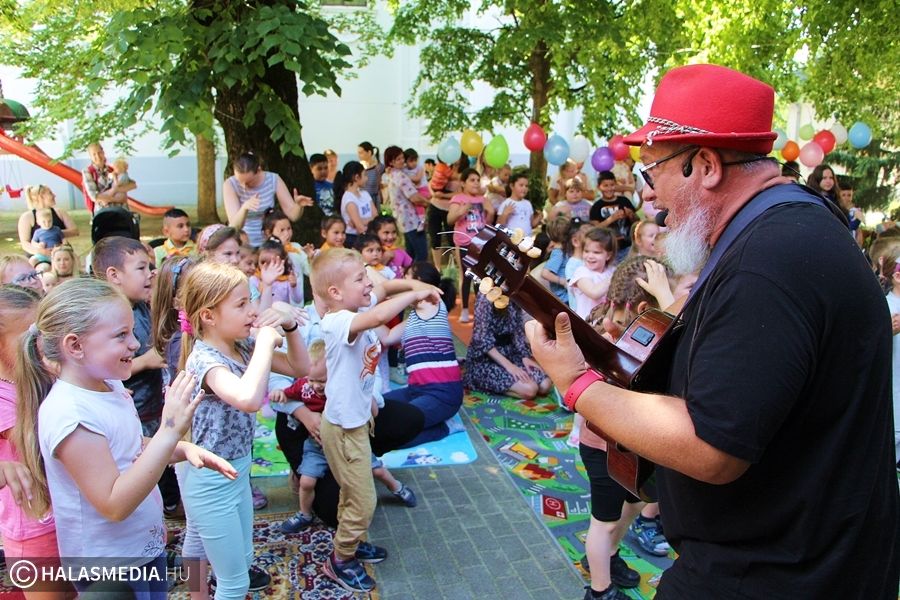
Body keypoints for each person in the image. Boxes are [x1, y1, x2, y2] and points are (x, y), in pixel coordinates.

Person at [526, 63, 900, 599]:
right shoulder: (791, 226)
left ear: (704, 165)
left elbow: (712, 446)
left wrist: (576, 382)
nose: (648, 197)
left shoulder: (768, 262)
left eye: (652, 172)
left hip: (777, 573)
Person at [14, 278, 236, 598]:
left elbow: (127, 448)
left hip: (140, 548)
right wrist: (170, 429)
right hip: (109, 567)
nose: (135, 344)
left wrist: (182, 447)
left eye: (132, 331)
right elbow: (114, 504)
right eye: (121, 335)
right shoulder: (71, 415)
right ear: (75, 346)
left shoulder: (108, 383)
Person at [311, 247, 439, 593]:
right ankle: (340, 560)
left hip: (355, 422)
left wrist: (416, 284)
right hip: (341, 429)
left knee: (352, 493)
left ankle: (348, 542)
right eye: (360, 279)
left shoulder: (357, 305)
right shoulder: (338, 321)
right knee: (364, 500)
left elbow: (382, 291)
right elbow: (378, 312)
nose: (369, 283)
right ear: (335, 293)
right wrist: (415, 294)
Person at [178, 262, 309, 599]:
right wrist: (265, 342)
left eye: (250, 300)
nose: (253, 311)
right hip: (210, 480)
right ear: (208, 316)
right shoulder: (205, 360)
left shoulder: (240, 347)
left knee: (205, 542)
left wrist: (291, 326)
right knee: (234, 582)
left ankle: (197, 595)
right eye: (241, 305)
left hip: (235, 470)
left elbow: (301, 368)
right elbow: (248, 399)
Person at [276, 339, 416, 535]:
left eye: (322, 381)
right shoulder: (305, 387)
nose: (316, 386)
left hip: (348, 443)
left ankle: (397, 488)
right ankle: (304, 513)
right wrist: (279, 395)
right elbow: (286, 393)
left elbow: (372, 408)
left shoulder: (346, 388)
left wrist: (366, 399)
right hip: (317, 447)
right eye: (311, 379)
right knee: (307, 482)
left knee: (377, 471)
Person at [92, 237, 183, 518]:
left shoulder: (142, 306)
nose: (151, 274)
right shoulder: (102, 317)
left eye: (151, 267)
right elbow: (100, 366)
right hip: (133, 411)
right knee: (136, 469)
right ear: (114, 275)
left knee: (159, 464)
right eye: (142, 268)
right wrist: (145, 361)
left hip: (152, 404)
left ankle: (164, 511)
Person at [0, 285, 69, 600]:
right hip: (34, 531)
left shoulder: (47, 376)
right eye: (30, 335)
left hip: (69, 517)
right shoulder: (5, 395)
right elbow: (43, 437)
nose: (42, 342)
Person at [380, 262, 463, 447]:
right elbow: (387, 337)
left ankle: (446, 428)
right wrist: (359, 312)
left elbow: (387, 289)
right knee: (374, 408)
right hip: (415, 391)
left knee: (393, 435)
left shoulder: (435, 304)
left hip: (442, 395)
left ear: (420, 283)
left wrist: (366, 271)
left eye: (407, 276)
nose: (402, 279)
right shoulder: (415, 317)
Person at [464, 291, 552, 400]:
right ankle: (479, 382)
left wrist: (525, 357)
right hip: (486, 359)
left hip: (511, 354)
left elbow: (517, 331)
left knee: (545, 385)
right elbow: (481, 340)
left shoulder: (513, 293)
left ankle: (513, 384)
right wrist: (510, 367)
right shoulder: (486, 295)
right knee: (530, 390)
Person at [222, 152, 313, 247]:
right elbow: (234, 227)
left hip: (269, 245)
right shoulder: (230, 184)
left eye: (248, 182)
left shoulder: (273, 179)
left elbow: (293, 216)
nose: (243, 187)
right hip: (244, 245)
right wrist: (244, 208)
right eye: (240, 181)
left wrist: (298, 206)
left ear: (259, 170)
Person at [448, 168, 495, 323]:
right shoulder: (458, 198)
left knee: (480, 276)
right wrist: (462, 210)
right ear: (463, 183)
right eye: (471, 180)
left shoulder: (483, 199)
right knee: (466, 275)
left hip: (481, 242)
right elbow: (450, 220)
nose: (475, 183)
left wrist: (490, 212)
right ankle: (465, 309)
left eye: (477, 180)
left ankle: (480, 310)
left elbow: (487, 222)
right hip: (464, 242)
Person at [384, 146, 429, 262]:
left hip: (403, 219)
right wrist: (428, 203)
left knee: (411, 253)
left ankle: (408, 275)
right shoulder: (400, 176)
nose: (402, 161)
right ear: (391, 162)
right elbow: (414, 198)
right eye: (398, 159)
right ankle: (417, 276)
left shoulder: (393, 174)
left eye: (402, 158)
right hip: (411, 220)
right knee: (421, 253)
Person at [17, 185, 79, 261]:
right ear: (40, 197)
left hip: (60, 254)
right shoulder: (27, 217)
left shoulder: (60, 212)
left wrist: (54, 233)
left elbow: (75, 231)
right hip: (39, 257)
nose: (54, 195)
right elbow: (25, 243)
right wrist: (40, 251)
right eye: (50, 193)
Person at [569, 227, 616, 320]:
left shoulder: (611, 270)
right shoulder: (581, 272)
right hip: (586, 324)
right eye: (586, 251)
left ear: (608, 255)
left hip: (607, 323)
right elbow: (594, 293)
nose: (590, 256)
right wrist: (615, 276)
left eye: (596, 252)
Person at [589, 171, 636, 261]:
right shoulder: (596, 206)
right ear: (599, 187)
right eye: (605, 185)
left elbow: (637, 222)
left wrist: (631, 214)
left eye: (612, 185)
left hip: (628, 247)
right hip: (607, 249)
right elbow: (595, 229)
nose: (609, 188)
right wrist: (612, 219)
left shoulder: (624, 200)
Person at [82, 143, 136, 212]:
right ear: (91, 157)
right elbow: (94, 196)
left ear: (103, 152)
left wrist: (114, 192)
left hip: (120, 210)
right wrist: (116, 196)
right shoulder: (88, 171)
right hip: (102, 212)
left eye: (99, 153)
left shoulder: (112, 169)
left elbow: (133, 185)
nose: (98, 156)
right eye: (94, 154)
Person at [336, 161, 377, 249]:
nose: (367, 178)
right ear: (356, 177)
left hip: (367, 235)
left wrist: (361, 221)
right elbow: (360, 228)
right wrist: (368, 220)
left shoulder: (365, 193)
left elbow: (376, 216)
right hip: (354, 239)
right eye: (365, 175)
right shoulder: (348, 198)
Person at [367, 215, 412, 280]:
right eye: (386, 233)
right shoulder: (372, 253)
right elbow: (371, 272)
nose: (390, 237)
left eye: (394, 232)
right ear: (375, 233)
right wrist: (384, 260)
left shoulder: (400, 251)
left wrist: (405, 270)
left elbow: (410, 266)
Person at [357, 142, 385, 209]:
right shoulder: (358, 168)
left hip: (375, 203)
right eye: (358, 153)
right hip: (362, 203)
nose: (358, 155)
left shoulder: (379, 168)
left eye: (361, 153)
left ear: (369, 152)